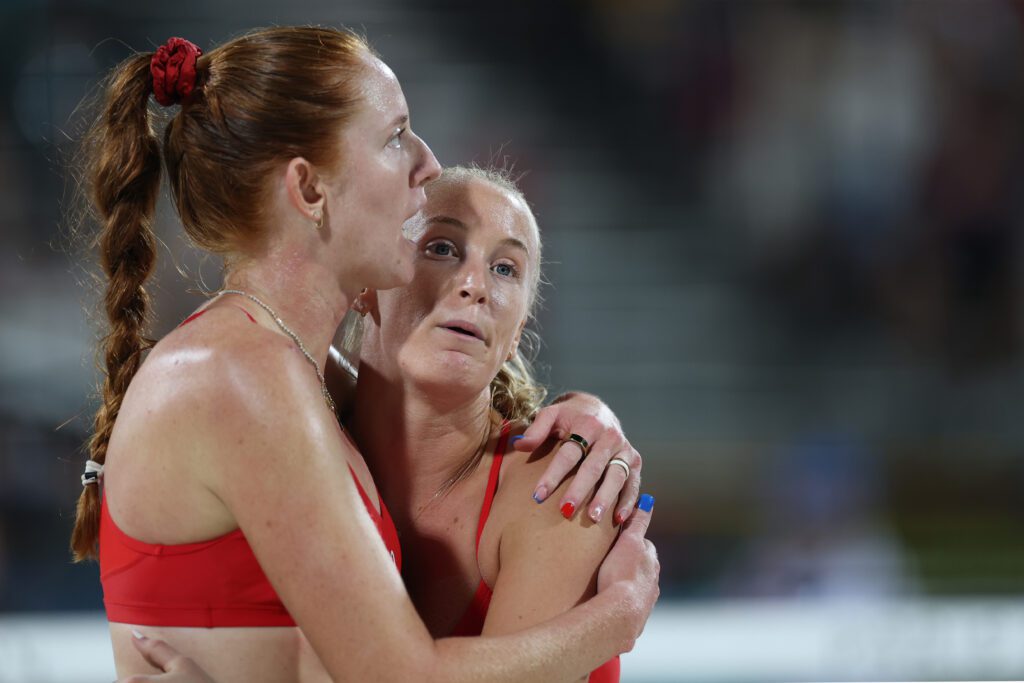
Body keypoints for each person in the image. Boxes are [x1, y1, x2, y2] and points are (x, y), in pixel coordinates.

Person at [70, 27, 658, 682]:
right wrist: (623, 612)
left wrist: (591, 411)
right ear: (311, 191)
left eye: (506, 270)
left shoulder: (302, 379)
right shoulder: (245, 374)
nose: (428, 163)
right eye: (395, 137)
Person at [129, 165, 648, 683]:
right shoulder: (280, 419)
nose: (476, 285)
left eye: (506, 268)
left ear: (517, 335)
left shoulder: (564, 484)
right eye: (442, 247)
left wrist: (621, 618)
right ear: (367, 284)